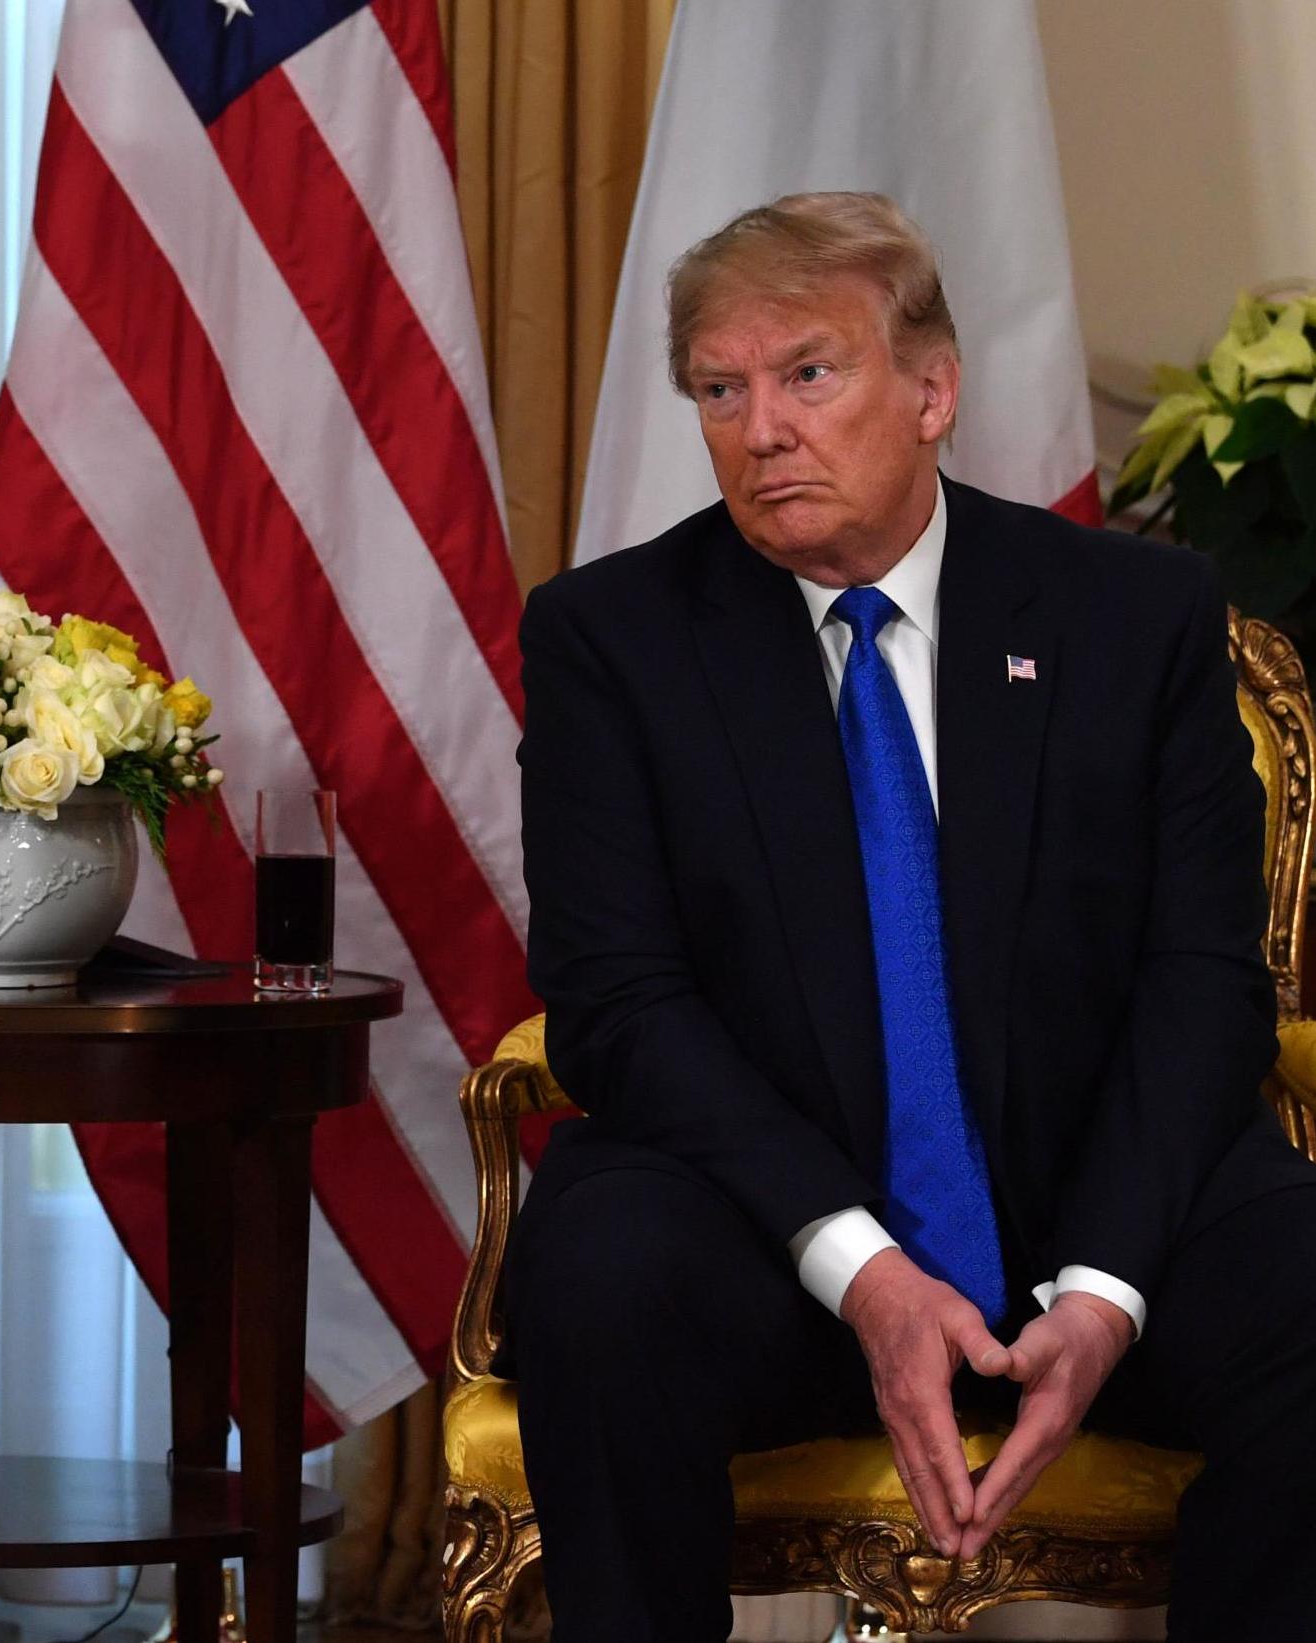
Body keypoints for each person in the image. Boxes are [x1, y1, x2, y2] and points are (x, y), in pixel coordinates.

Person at [509, 192, 1316, 1641]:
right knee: (595, 1273)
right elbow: (617, 1004)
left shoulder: (1131, 617)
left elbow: (1201, 981)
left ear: (930, 391)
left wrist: (1107, 1287)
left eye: (807, 373)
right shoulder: (610, 641)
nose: (760, 427)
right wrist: (865, 1271)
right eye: (718, 387)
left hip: (1096, 1212)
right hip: (771, 1240)